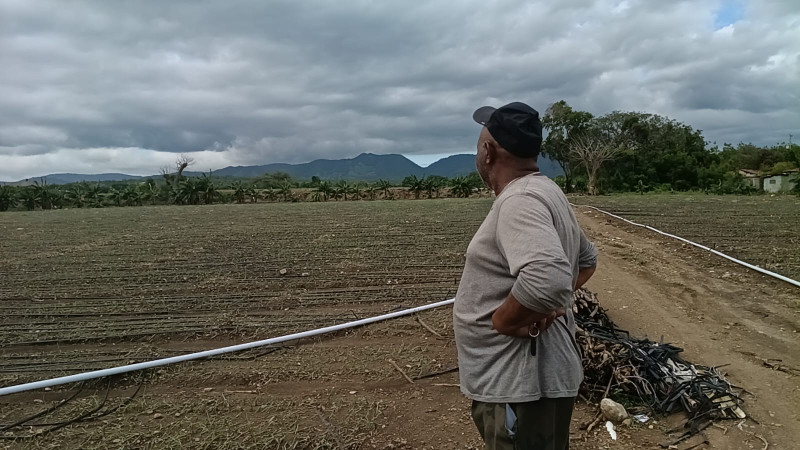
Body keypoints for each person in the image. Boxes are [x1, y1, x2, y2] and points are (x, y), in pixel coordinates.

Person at [453, 102, 598, 450]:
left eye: (478, 145)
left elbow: (547, 277)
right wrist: (541, 307)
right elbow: (586, 260)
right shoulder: (545, 190)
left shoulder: (520, 201)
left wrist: (505, 320)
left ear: (488, 152)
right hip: (530, 381)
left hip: (519, 385)